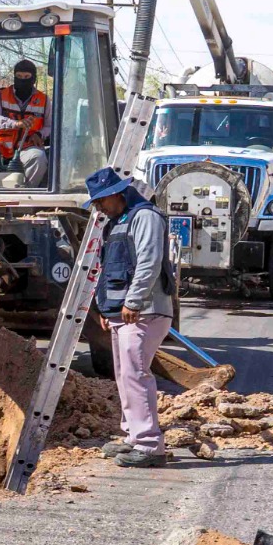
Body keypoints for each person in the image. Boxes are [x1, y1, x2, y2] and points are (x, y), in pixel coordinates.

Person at [84, 165, 176, 467]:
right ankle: (133, 437)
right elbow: (109, 268)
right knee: (125, 375)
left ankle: (149, 446)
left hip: (145, 311)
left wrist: (133, 302)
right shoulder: (118, 222)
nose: (98, 207)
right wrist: (106, 309)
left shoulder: (145, 217)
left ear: (117, 194)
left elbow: (149, 261)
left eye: (101, 200)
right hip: (124, 314)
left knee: (136, 375)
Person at [0, 58, 49, 185]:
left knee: (38, 157)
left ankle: (25, 192)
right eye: (19, 76)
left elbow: (50, 126)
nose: (22, 80)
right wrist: (15, 124)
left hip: (26, 146)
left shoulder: (44, 100)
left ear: (33, 78)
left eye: (27, 76)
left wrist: (39, 134)